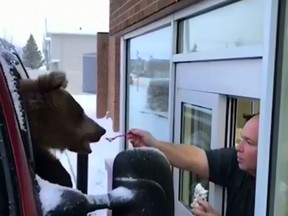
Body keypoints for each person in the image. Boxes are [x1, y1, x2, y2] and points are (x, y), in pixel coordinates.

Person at [127, 114, 259, 216]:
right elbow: (194, 158)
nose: (238, 147)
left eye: (249, 142)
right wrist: (154, 144)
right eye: (241, 139)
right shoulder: (235, 162)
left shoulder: (276, 197)